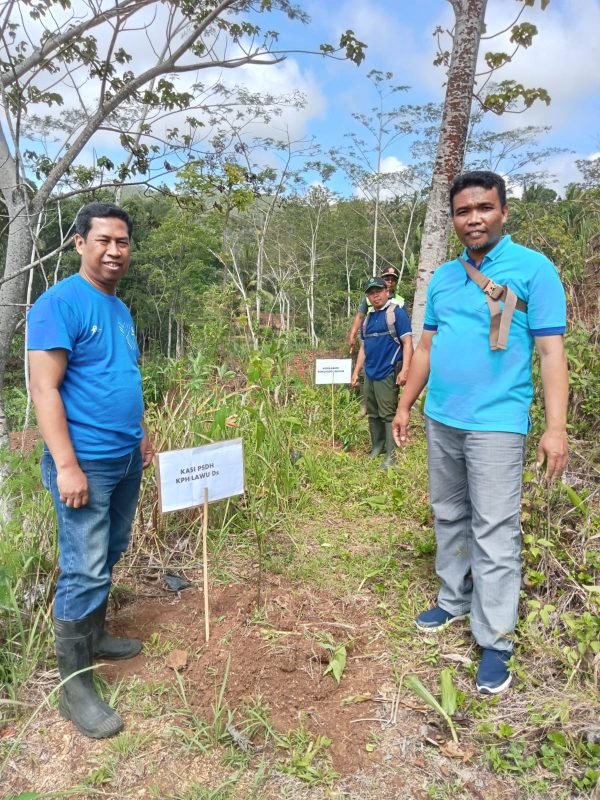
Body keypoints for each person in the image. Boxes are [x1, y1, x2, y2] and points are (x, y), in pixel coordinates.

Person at [392, 171, 568, 695]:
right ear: (453, 219)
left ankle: (495, 639)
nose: (474, 219)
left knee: (494, 528)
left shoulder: (535, 270)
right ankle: (452, 599)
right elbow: (424, 349)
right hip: (442, 416)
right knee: (448, 513)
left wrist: (555, 428)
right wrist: (405, 405)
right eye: (464, 211)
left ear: (503, 212)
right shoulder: (444, 278)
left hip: (497, 422)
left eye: (484, 209)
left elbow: (551, 352)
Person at [27, 202, 154, 738]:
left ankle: (96, 634)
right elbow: (43, 387)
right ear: (80, 243)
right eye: (103, 240)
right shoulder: (59, 303)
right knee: (83, 565)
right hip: (85, 463)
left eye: (122, 242)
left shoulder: (118, 308)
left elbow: (122, 377)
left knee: (113, 546)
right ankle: (74, 684)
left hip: (125, 456)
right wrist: (66, 466)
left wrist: (143, 436)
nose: (114, 251)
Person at [351, 277, 413, 468]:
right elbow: (363, 348)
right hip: (370, 373)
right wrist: (356, 372)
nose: (375, 295)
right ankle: (378, 447)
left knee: (388, 414)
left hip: (387, 372)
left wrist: (405, 370)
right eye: (371, 292)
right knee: (373, 413)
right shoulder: (367, 319)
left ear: (387, 291)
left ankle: (392, 456)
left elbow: (407, 343)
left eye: (378, 290)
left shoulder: (397, 314)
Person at [347, 265, 405, 351]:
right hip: (371, 338)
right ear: (381, 279)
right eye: (387, 278)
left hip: (391, 343)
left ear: (396, 282)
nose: (390, 281)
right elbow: (360, 317)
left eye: (393, 279)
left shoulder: (400, 301)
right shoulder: (369, 298)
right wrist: (352, 334)